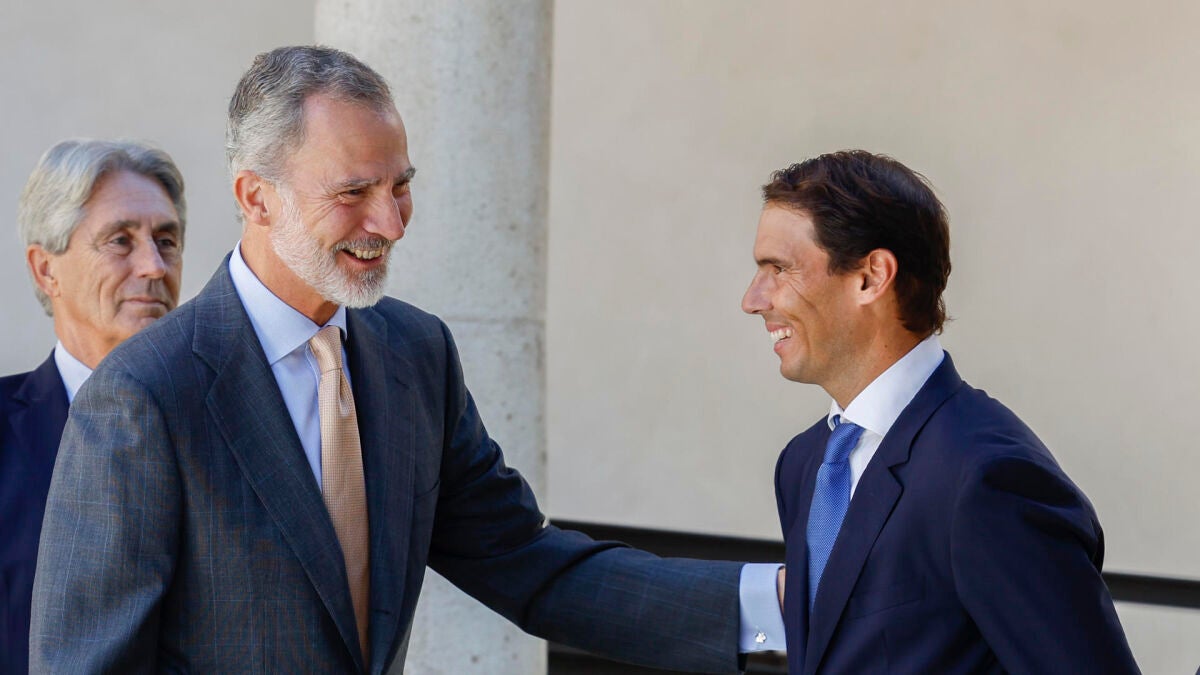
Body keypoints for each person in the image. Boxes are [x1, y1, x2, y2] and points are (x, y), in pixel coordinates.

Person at [31, 46, 783, 674]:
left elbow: (526, 560)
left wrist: (779, 603)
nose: (389, 222)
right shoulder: (143, 394)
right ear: (256, 198)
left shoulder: (416, 356)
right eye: (354, 191)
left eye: (400, 187)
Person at [742, 150, 1139, 673]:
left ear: (871, 277)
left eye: (779, 269)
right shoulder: (802, 463)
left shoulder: (989, 477)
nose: (753, 299)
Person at [0, 139, 185, 674]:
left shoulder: (229, 425)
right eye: (120, 241)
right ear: (46, 270)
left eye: (166, 241)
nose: (154, 266)